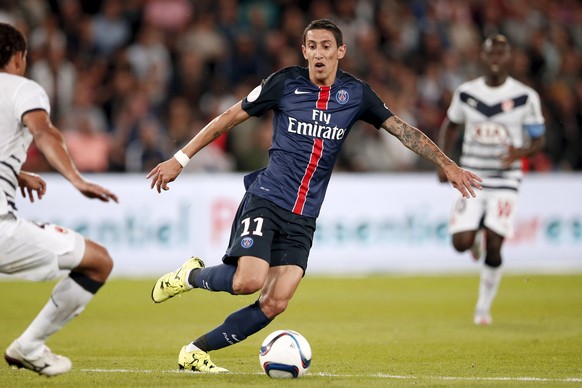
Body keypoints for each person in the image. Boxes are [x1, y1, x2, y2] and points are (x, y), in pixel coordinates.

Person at [147, 19, 482, 373]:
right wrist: (180, 158)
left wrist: (447, 165)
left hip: (305, 215)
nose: (319, 53)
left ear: (340, 52)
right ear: (304, 51)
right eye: (312, 46)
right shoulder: (284, 83)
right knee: (247, 281)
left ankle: (195, 352)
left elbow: (402, 130)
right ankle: (189, 276)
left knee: (275, 302)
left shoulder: (356, 94)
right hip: (267, 198)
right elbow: (229, 118)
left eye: (326, 46)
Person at [0, 22, 119, 376]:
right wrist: (76, 178)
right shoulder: (23, 88)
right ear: (19, 58)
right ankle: (30, 346)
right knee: (98, 262)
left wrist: (15, 173)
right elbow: (45, 131)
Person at [437, 34, 545, 326]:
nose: (496, 59)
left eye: (501, 53)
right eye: (490, 54)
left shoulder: (525, 96)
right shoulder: (466, 93)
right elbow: (451, 126)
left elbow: (539, 138)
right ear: (482, 58)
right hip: (471, 174)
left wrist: (521, 152)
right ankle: (474, 239)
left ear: (509, 58)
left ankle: (483, 308)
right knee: (461, 243)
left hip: (506, 179)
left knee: (496, 244)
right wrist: (444, 161)